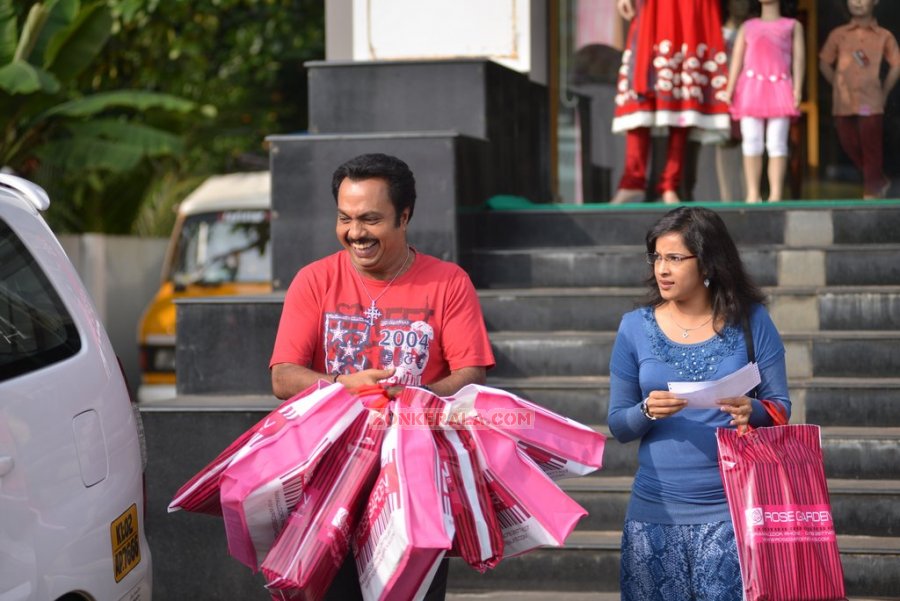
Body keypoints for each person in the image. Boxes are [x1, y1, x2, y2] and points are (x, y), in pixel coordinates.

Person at [269, 152, 495, 600]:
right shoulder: (313, 280)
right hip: (327, 483)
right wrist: (342, 386)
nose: (355, 233)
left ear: (404, 216)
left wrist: (416, 398)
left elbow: (472, 372)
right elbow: (283, 377)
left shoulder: (449, 282)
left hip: (414, 484)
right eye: (345, 218)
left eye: (370, 219)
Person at [607, 206, 790, 600]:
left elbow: (779, 406)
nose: (662, 269)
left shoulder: (752, 321)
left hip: (732, 512)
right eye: (656, 257)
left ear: (707, 261)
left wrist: (751, 410)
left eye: (674, 258)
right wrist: (646, 411)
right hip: (653, 513)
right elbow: (618, 425)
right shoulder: (634, 327)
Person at [611, 0, 732, 204]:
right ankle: (632, 181)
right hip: (654, 7)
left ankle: (669, 183)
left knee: (683, 93)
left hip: (691, 6)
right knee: (642, 87)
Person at [724, 0, 804, 203]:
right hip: (751, 88)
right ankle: (753, 193)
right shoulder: (748, 26)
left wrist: (798, 88)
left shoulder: (792, 26)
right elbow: (737, 60)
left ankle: (775, 193)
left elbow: (799, 59)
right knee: (751, 141)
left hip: (780, 87)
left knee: (777, 143)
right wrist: (730, 88)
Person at [819, 0, 900, 199]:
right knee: (848, 141)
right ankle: (878, 180)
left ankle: (871, 192)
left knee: (870, 144)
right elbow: (824, 62)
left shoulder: (884, 36)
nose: (857, 2)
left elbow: (897, 64)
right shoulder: (839, 34)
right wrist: (837, 84)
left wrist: (885, 90)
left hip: (871, 101)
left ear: (875, 2)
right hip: (843, 102)